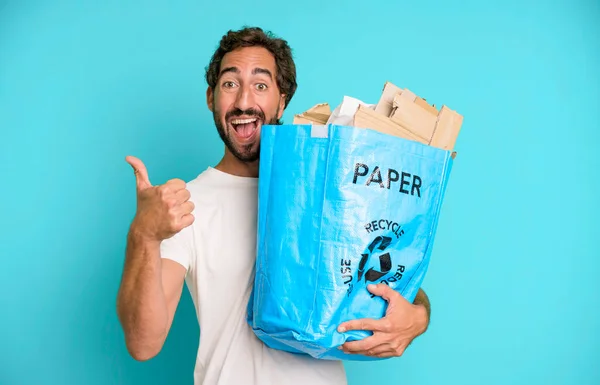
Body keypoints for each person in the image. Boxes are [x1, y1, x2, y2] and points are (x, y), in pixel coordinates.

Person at [116, 26, 432, 385]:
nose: (244, 101)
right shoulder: (185, 204)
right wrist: (142, 234)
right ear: (211, 97)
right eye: (230, 84)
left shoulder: (325, 188)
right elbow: (144, 343)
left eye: (261, 85)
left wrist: (419, 316)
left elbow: (373, 272)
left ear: (282, 100)